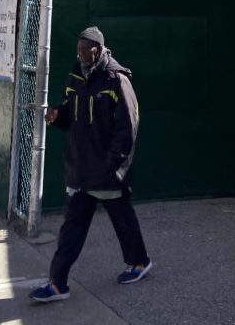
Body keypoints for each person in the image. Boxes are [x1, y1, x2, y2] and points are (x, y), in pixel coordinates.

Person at [30, 26, 151, 304]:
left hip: (107, 170)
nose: (81, 54)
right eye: (78, 49)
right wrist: (58, 116)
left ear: (98, 50)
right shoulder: (76, 77)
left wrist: (113, 165)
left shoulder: (116, 80)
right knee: (72, 226)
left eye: (85, 49)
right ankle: (58, 283)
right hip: (82, 169)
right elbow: (73, 114)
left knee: (122, 219)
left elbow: (128, 127)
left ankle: (140, 262)